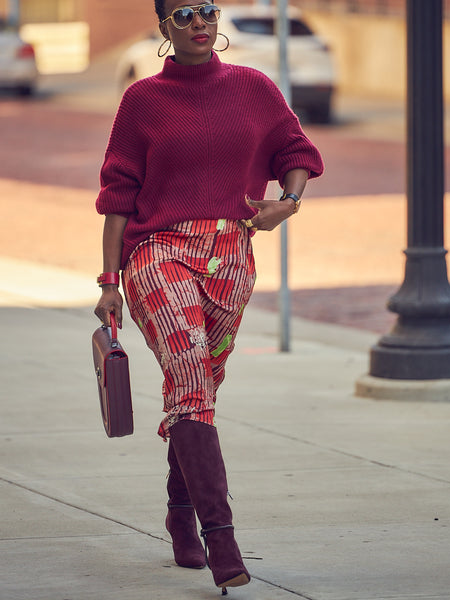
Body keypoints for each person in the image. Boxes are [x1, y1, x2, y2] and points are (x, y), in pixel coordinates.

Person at [94, 0, 324, 593]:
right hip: (158, 254)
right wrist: (109, 283)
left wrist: (287, 203)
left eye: (208, 10)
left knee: (195, 390)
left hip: (232, 256)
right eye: (185, 14)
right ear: (164, 27)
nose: (200, 23)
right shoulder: (141, 100)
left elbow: (295, 153)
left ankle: (179, 516)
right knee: (192, 380)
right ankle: (222, 540)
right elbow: (119, 194)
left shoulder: (252, 86)